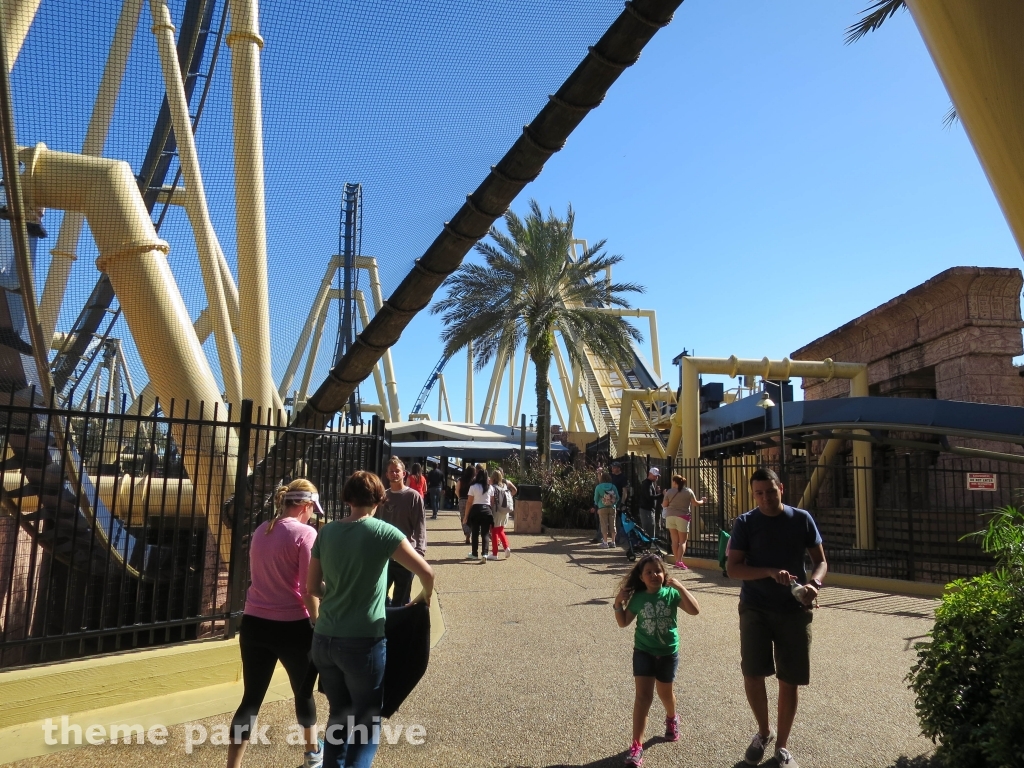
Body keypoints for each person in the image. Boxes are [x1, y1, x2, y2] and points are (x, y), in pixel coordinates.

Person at [307, 471, 434, 768]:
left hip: (324, 639)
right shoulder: (383, 532)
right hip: (363, 640)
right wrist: (422, 599)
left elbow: (313, 588)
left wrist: (337, 591)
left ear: (347, 498)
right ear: (379, 499)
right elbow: (427, 573)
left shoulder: (326, 532)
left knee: (338, 714)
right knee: (366, 721)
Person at [726, 467, 827, 768]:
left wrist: (814, 584)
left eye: (770, 491)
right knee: (753, 673)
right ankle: (763, 732)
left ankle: (782, 746)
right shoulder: (745, 523)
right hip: (755, 606)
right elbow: (733, 569)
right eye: (759, 493)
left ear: (780, 488)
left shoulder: (801, 519)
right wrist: (769, 572)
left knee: (789, 679)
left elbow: (820, 561)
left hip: (793, 610)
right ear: (753, 494)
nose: (766, 498)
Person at [227, 479, 323, 768]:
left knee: (251, 699)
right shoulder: (306, 534)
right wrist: (317, 624)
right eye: (312, 509)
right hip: (293, 625)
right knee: (303, 693)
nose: (312, 515)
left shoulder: (261, 530)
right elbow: (309, 589)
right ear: (305, 506)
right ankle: (312, 756)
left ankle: (233, 765)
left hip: (254, 623)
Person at [613, 554, 700, 767]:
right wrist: (618, 604)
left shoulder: (671, 594)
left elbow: (695, 610)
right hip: (643, 651)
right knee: (643, 698)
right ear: (641, 578)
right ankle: (636, 746)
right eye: (648, 572)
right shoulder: (639, 597)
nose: (654, 575)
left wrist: (680, 587)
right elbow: (623, 622)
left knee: (665, 694)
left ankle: (672, 718)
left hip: (668, 653)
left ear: (664, 574)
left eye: (657, 571)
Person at [378, 457, 427, 607]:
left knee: (402, 599)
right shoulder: (382, 497)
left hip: (406, 554)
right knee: (379, 596)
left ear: (404, 473)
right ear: (386, 475)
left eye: (397, 471)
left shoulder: (413, 497)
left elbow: (420, 526)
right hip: (384, 556)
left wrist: (419, 551)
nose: (394, 474)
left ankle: (399, 627)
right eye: (391, 471)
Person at [663, 475, 706, 570]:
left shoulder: (669, 491)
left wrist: (665, 495)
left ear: (674, 482)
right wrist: (703, 501)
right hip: (682, 516)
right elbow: (695, 503)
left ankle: (676, 560)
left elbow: (664, 505)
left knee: (674, 540)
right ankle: (679, 561)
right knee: (682, 541)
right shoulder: (688, 491)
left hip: (670, 516)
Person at [463, 466, 494, 561]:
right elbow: (492, 502)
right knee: (485, 533)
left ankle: (474, 553)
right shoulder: (490, 488)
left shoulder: (473, 487)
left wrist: (466, 516)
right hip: (487, 511)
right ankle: (485, 553)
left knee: (475, 533)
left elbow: (469, 502)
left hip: (476, 510)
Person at [489, 469, 517, 558]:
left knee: (494, 531)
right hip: (505, 511)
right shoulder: (505, 486)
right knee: (501, 530)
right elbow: (514, 491)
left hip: (496, 511)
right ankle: (506, 547)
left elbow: (491, 502)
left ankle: (494, 553)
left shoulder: (492, 488)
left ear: (493, 478)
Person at [593, 472, 620, 549]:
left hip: (602, 507)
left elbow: (595, 499)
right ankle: (613, 542)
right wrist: (614, 503)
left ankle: (605, 542)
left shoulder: (598, 487)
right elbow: (617, 497)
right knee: (613, 524)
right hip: (612, 507)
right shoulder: (613, 486)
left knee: (604, 525)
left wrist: (598, 504)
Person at [637, 468, 664, 540]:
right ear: (650, 474)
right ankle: (647, 545)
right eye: (655, 476)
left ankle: (648, 544)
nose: (656, 477)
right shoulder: (647, 484)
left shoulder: (650, 483)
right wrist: (661, 495)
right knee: (648, 528)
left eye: (657, 476)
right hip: (646, 510)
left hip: (648, 509)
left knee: (650, 527)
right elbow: (649, 497)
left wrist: (656, 492)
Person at [457, 464, 476, 546]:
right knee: (471, 517)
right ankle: (470, 532)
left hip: (462, 499)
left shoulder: (460, 480)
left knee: (463, 517)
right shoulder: (474, 481)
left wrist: (459, 497)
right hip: (472, 500)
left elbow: (456, 490)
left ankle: (466, 533)